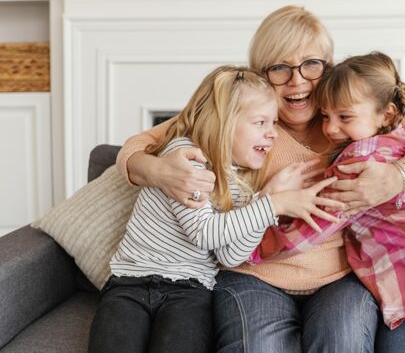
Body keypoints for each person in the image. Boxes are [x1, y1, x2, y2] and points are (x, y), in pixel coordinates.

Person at [115, 6, 405, 352]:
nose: (297, 80)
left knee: (343, 341)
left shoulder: (350, 114)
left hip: (338, 278)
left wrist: (399, 176)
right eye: (279, 67)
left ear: (328, 68)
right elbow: (137, 145)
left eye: (311, 65)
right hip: (253, 274)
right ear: (259, 75)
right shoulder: (244, 119)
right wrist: (158, 171)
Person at [250, 51, 405, 353]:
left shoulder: (359, 161)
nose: (331, 128)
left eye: (344, 117)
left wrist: (249, 244)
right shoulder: (392, 133)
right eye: (326, 116)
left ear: (385, 115)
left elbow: (312, 226)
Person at [88, 65, 341, 353]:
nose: (272, 134)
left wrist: (265, 199)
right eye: (261, 123)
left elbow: (230, 254)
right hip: (130, 284)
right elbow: (205, 234)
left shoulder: (240, 182)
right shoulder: (185, 158)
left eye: (274, 123)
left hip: (191, 292)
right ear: (224, 123)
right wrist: (275, 204)